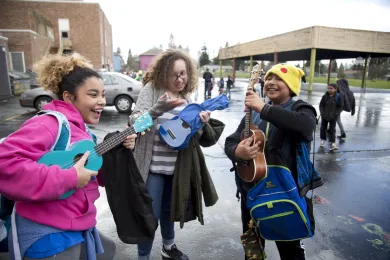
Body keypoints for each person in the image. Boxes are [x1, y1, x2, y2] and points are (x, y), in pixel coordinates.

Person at [0, 53, 137, 259]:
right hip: (49, 236)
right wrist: (70, 178)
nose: (101, 101)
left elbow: (93, 176)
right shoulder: (49, 124)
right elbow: (5, 163)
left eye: (102, 94)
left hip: (76, 226)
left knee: (108, 250)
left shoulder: (83, 132)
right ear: (68, 97)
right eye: (93, 95)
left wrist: (120, 150)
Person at [225, 64, 316, 260]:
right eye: (268, 78)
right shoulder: (254, 114)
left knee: (290, 249)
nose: (271, 83)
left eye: (279, 79)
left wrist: (263, 107)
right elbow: (230, 141)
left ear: (291, 85)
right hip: (252, 191)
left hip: (284, 193)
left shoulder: (301, 109)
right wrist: (237, 151)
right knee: (253, 249)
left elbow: (306, 126)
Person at [129, 50, 213, 260]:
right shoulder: (153, 90)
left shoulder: (186, 98)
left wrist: (201, 123)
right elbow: (135, 124)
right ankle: (143, 256)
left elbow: (191, 134)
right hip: (153, 168)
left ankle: (168, 247)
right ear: (163, 74)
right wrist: (155, 111)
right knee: (150, 217)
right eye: (174, 74)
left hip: (177, 168)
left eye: (183, 74)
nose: (180, 79)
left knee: (169, 211)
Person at [319, 83, 342, 150]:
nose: (329, 89)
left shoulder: (338, 96)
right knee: (323, 128)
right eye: (328, 88)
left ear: (335, 89)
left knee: (332, 130)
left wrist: (337, 113)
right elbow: (321, 105)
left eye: (331, 88)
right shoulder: (324, 96)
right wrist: (322, 113)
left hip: (333, 117)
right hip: (325, 116)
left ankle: (332, 142)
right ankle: (323, 139)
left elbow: (340, 106)